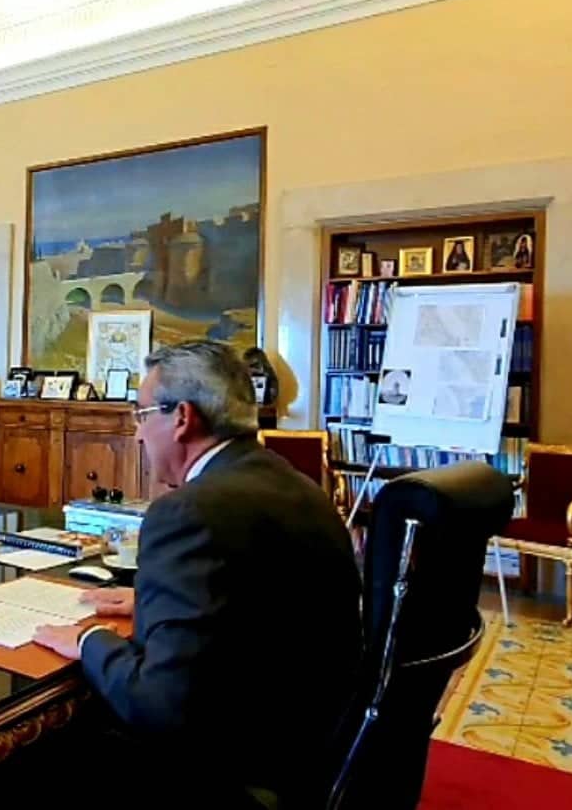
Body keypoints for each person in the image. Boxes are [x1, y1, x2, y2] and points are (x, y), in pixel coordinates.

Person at [31, 341, 362, 806]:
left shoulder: (188, 512)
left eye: (142, 415)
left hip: (240, 768)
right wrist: (154, 598)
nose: (138, 435)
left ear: (182, 418)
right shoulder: (298, 485)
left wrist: (88, 640)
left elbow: (158, 706)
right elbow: (262, 598)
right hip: (317, 747)